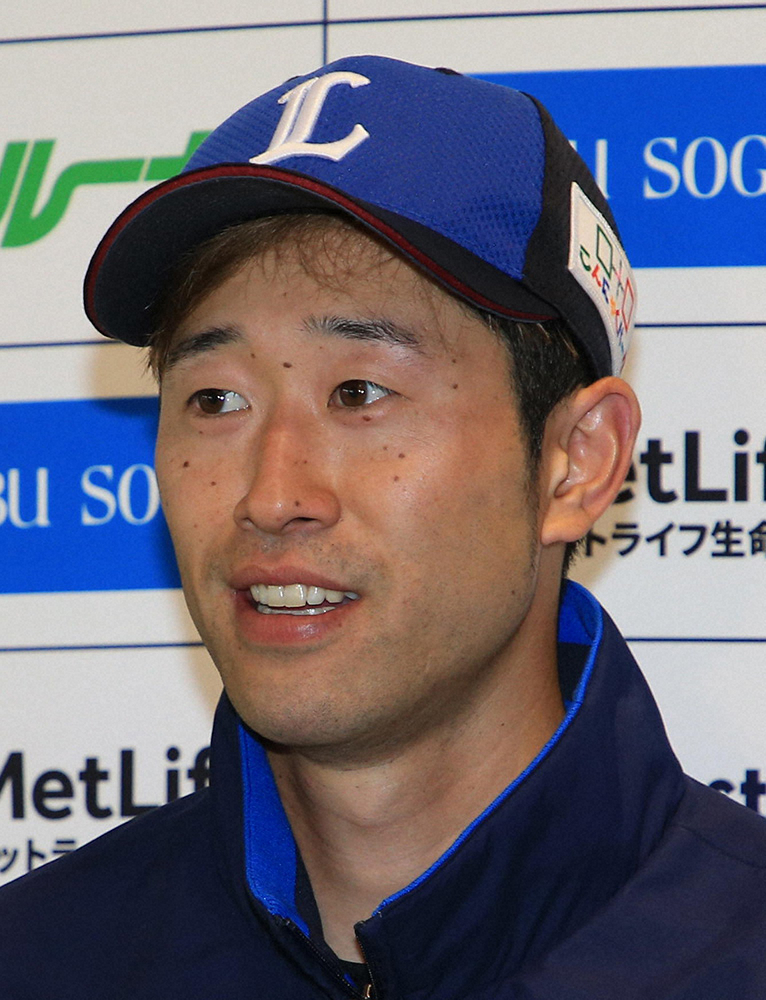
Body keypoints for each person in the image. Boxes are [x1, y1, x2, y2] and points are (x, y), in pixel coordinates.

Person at [1, 55, 765, 1000]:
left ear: (576, 462)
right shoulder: (40, 958)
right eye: (215, 399)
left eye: (358, 393)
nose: (272, 495)